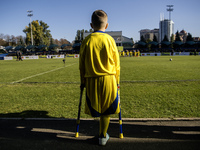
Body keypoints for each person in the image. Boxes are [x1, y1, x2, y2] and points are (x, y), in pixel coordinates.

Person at [79, 10, 120, 146]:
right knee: (107, 110)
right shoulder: (110, 40)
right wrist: (117, 81)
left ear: (91, 25)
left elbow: (81, 65)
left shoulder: (86, 40)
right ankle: (103, 136)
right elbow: (117, 64)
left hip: (91, 79)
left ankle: (102, 135)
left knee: (96, 108)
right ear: (106, 26)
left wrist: (82, 81)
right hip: (109, 79)